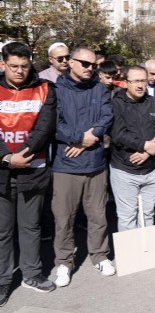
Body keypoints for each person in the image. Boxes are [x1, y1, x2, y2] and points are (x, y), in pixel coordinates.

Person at [51, 47, 115, 287]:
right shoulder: (57, 90)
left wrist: (91, 139)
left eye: (93, 65)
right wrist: (79, 138)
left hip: (96, 162)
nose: (90, 68)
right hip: (66, 164)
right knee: (64, 218)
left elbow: (106, 117)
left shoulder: (99, 88)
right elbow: (54, 124)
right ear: (71, 63)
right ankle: (64, 262)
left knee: (98, 215)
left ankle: (99, 255)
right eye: (85, 64)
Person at [0, 43, 57, 305]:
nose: (20, 71)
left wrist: (22, 155)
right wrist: (8, 158)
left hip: (33, 170)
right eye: (14, 66)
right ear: (3, 65)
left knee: (31, 226)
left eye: (25, 66)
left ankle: (32, 274)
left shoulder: (45, 89)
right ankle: (3, 281)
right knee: (3, 231)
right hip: (2, 170)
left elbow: (44, 128)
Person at [109, 65, 155, 233]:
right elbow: (118, 134)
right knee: (127, 216)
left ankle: (146, 255)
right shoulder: (116, 103)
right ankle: (131, 257)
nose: (140, 85)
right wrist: (143, 145)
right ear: (126, 82)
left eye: (142, 80)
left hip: (150, 170)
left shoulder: (154, 102)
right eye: (135, 81)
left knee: (148, 214)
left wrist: (147, 151)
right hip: (125, 171)